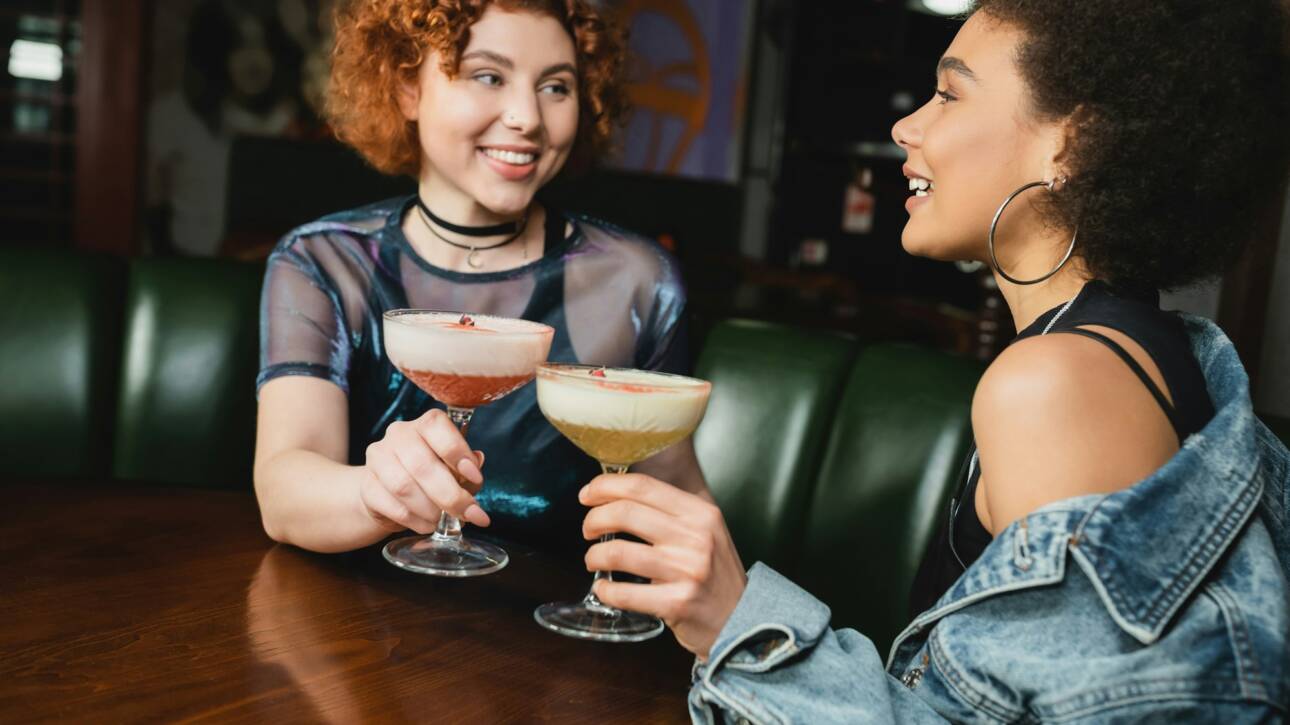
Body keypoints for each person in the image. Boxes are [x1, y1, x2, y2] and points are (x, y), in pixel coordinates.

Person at [575, 1, 1290, 720]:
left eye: (949, 94)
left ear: (1072, 143)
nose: (906, 126)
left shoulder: (1055, 384)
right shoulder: (1136, 352)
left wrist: (740, 620)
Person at [254, 0, 709, 555]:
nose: (528, 118)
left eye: (557, 87)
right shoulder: (325, 260)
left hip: (542, 628)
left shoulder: (633, 279)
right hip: (351, 621)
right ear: (407, 89)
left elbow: (676, 510)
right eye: (488, 76)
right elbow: (283, 491)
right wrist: (379, 494)